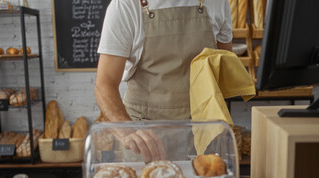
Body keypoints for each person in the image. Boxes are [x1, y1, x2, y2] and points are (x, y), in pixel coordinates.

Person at [95, 0, 233, 162]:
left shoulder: (218, 2)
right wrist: (127, 130)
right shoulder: (126, 6)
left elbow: (223, 64)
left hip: (203, 133)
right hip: (145, 138)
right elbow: (105, 84)